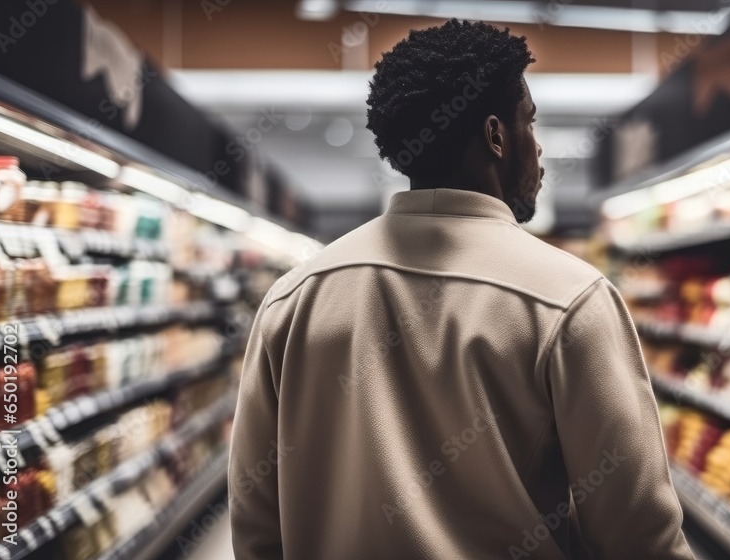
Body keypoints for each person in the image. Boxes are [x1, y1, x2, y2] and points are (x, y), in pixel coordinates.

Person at [229, 18, 693, 560]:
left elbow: (256, 523)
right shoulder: (570, 299)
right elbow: (639, 539)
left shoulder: (294, 300)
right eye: (530, 125)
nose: (539, 151)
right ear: (496, 135)